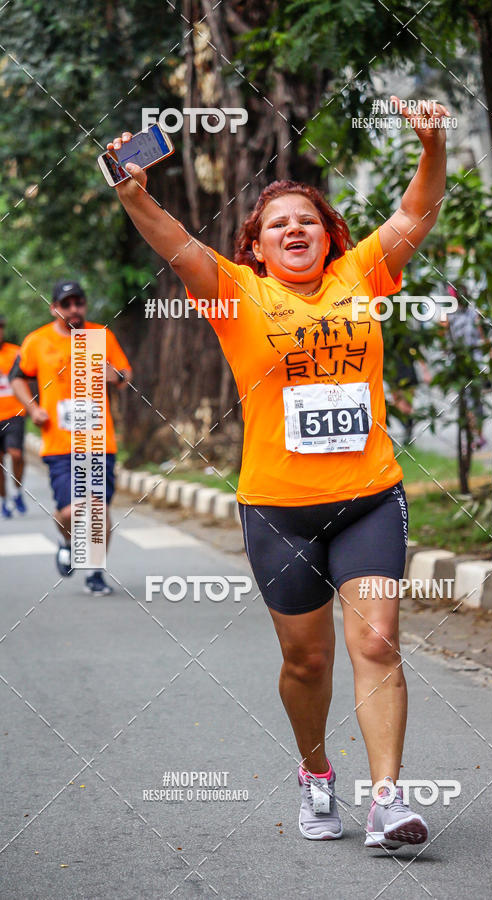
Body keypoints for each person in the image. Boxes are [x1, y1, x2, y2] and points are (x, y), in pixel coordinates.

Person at [109, 97, 448, 849]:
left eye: (308, 221)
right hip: (276, 507)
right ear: (256, 246)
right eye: (277, 224)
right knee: (307, 658)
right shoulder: (236, 292)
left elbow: (416, 212)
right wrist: (134, 193)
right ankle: (316, 774)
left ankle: (387, 800)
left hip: (367, 497)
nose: (295, 230)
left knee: (377, 642)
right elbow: (173, 243)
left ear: (330, 237)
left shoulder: (363, 275)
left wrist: (433, 146)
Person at [10, 280, 132, 595]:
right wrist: (33, 409)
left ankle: (95, 571)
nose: (74, 309)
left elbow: (124, 376)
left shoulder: (98, 337)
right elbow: (18, 378)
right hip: (59, 444)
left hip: (99, 441)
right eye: (67, 304)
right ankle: (67, 541)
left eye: (79, 303)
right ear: (54, 308)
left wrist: (114, 375)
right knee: (69, 511)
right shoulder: (38, 341)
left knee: (98, 508)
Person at [445, 285, 488, 450]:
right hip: (462, 363)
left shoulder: (471, 314)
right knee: (470, 401)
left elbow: (482, 338)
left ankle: (477, 435)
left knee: (474, 401)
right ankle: (474, 435)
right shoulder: (450, 315)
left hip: (472, 363)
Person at [0, 316, 27, 517]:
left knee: (16, 454)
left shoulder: (16, 352)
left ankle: (17, 491)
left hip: (14, 413)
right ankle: (4, 499)